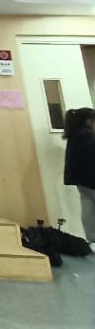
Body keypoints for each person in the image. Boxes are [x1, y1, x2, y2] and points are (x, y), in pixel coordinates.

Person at [64, 107, 95, 255]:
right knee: (89, 207)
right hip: (91, 179)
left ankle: (93, 240)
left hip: (81, 180)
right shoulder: (87, 136)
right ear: (89, 121)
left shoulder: (75, 135)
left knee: (87, 207)